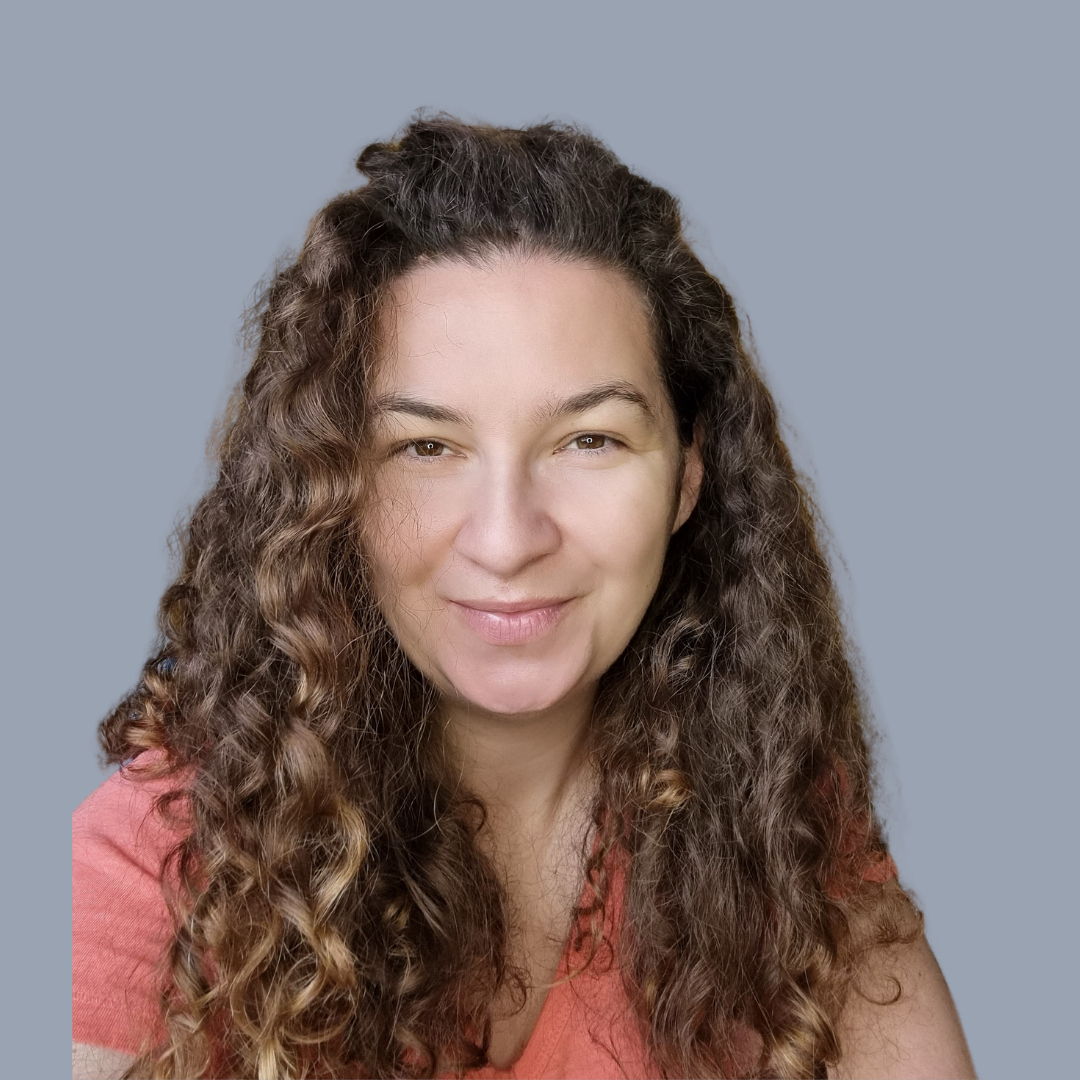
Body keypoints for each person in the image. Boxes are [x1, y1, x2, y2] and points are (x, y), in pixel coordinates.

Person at [72, 114, 975, 1080]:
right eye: (426, 447)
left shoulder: (769, 816)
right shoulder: (166, 853)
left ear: (688, 476)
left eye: (590, 440)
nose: (506, 540)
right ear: (333, 490)